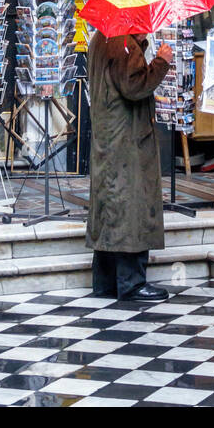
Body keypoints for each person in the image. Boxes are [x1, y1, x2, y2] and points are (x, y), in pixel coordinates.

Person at [86, 29, 174, 301]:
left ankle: (105, 281)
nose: (148, 25)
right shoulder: (123, 43)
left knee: (110, 204)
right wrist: (161, 62)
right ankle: (131, 282)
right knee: (130, 203)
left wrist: (140, 45)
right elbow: (134, 86)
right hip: (126, 137)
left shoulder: (102, 38)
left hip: (110, 134)